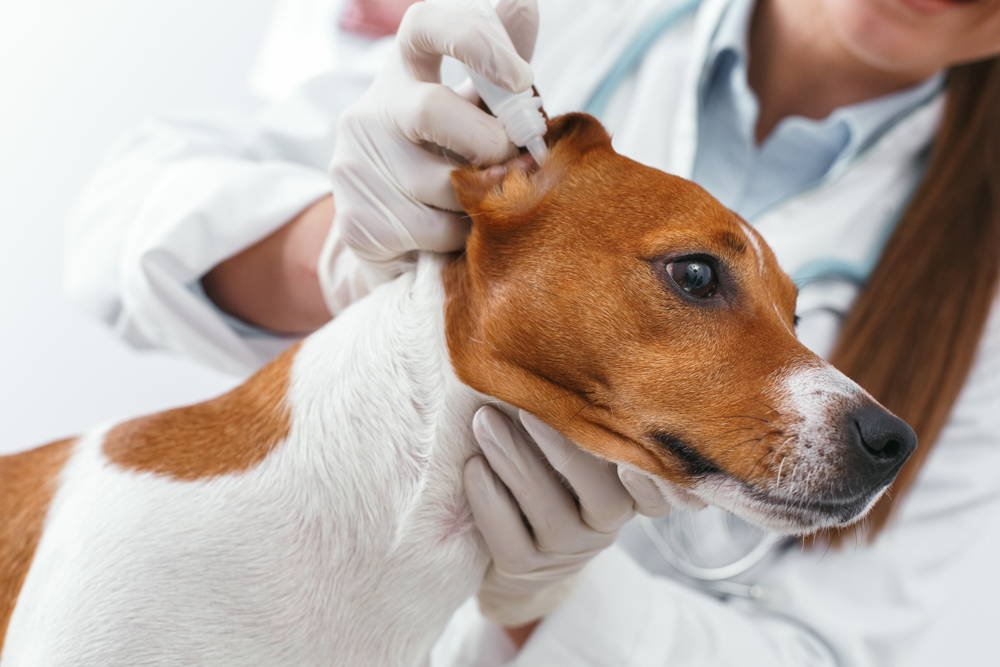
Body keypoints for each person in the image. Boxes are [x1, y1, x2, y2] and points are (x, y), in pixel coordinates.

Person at [65, 0, 1000, 664]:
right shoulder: (520, 27)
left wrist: (546, 602)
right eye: (695, 277)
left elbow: (822, 651)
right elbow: (116, 218)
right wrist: (341, 251)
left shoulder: (980, 308)